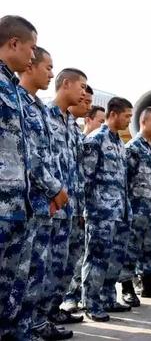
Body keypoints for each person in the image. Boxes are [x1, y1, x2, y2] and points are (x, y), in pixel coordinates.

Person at [16, 46, 73, 340]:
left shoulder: (36, 106)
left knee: (39, 272)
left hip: (47, 205)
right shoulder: (19, 103)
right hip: (29, 204)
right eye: (48, 67)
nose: (51, 73)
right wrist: (55, 190)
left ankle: (33, 325)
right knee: (22, 276)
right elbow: (29, 158)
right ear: (29, 66)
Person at [0, 15, 39, 339]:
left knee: (13, 283)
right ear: (13, 43)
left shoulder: (12, 90)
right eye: (31, 48)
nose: (33, 56)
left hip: (16, 206)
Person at [82, 97, 133, 322]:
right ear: (114, 114)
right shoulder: (96, 140)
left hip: (119, 212)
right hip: (100, 213)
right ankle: (91, 302)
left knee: (115, 257)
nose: (129, 121)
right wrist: (87, 212)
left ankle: (108, 297)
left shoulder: (119, 142)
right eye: (127, 116)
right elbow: (86, 179)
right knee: (97, 259)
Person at [45, 68, 87, 328]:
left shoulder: (71, 123)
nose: (84, 92)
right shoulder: (45, 116)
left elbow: (76, 168)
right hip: (51, 205)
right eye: (81, 86)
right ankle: (39, 316)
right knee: (47, 266)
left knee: (64, 265)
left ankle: (52, 310)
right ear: (66, 84)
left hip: (71, 207)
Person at [120, 106, 151, 304]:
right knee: (131, 248)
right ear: (143, 122)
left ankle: (148, 284)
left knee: (150, 247)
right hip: (136, 209)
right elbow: (124, 181)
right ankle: (127, 287)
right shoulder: (132, 148)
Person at [60, 84, 94, 316]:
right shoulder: (54, 121)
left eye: (89, 102)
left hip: (75, 207)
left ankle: (53, 309)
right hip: (57, 206)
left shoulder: (74, 129)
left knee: (70, 259)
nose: (87, 105)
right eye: (84, 101)